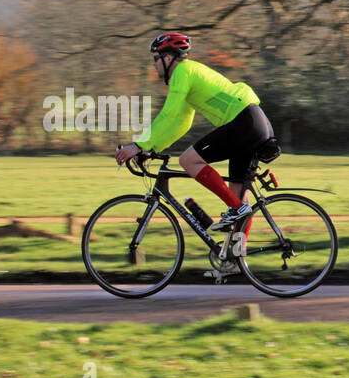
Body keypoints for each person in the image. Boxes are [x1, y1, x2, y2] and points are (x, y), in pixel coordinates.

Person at [114, 33, 279, 232]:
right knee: (237, 194)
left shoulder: (182, 72)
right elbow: (181, 122)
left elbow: (168, 113)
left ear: (168, 58)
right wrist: (152, 148)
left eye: (155, 59)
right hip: (253, 123)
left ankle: (238, 208)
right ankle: (237, 258)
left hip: (243, 123)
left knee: (189, 161)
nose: (153, 64)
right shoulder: (189, 73)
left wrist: (139, 145)